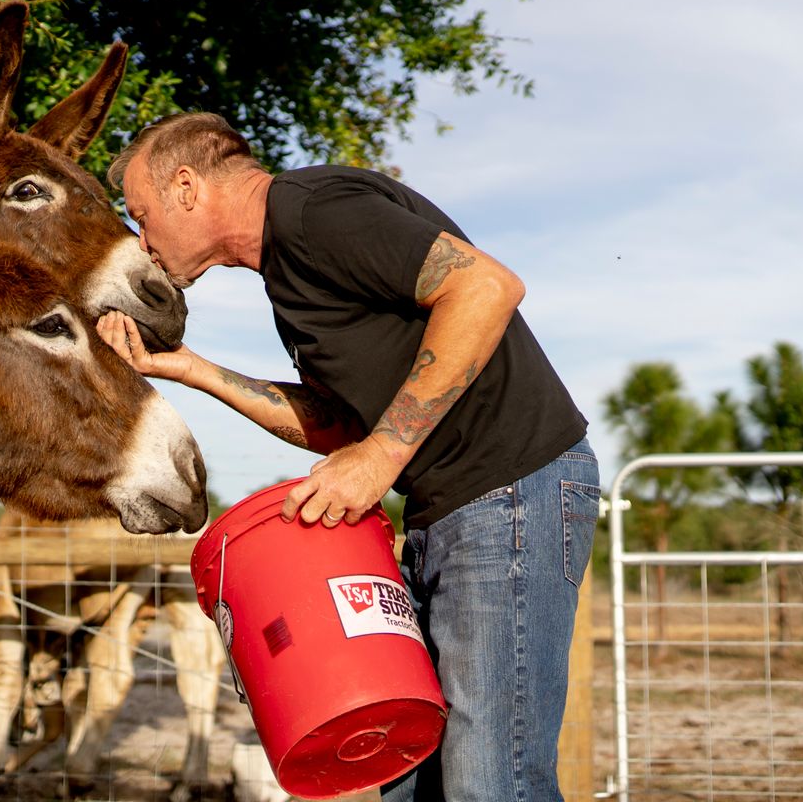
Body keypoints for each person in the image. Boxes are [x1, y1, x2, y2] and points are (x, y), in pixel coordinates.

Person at [94, 111, 598, 802]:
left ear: (186, 186)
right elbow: (339, 425)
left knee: (492, 780)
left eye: (141, 215)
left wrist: (381, 457)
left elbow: (485, 287)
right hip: (443, 511)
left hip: (511, 493)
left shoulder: (316, 214)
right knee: (410, 774)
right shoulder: (285, 275)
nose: (142, 242)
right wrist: (190, 370)